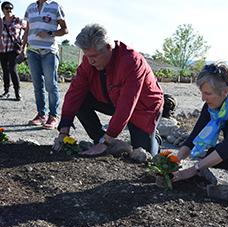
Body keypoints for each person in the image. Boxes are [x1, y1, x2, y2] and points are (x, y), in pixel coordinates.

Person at [52, 23, 164, 156]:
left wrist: (106, 142)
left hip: (142, 107)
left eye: (93, 56)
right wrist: (63, 133)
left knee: (144, 152)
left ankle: (154, 137)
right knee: (80, 99)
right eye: (87, 56)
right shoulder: (89, 61)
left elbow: (127, 104)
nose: (90, 61)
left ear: (108, 47)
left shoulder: (132, 63)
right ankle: (99, 139)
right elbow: (74, 93)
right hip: (111, 98)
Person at [23, 0, 69, 129]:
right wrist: (23, 49)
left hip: (49, 52)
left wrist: (50, 33)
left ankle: (53, 116)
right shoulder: (30, 7)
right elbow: (27, 30)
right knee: (37, 86)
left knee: (51, 85)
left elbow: (65, 29)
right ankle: (41, 115)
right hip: (32, 52)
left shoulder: (55, 6)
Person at [0, 1, 26, 101]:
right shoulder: (0, 22)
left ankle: (17, 92)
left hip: (13, 49)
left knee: (12, 69)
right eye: (6, 8)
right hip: (2, 49)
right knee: (5, 70)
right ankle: (6, 91)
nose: (9, 10)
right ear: (3, 10)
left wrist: (24, 40)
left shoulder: (18, 20)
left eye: (10, 8)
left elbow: (27, 30)